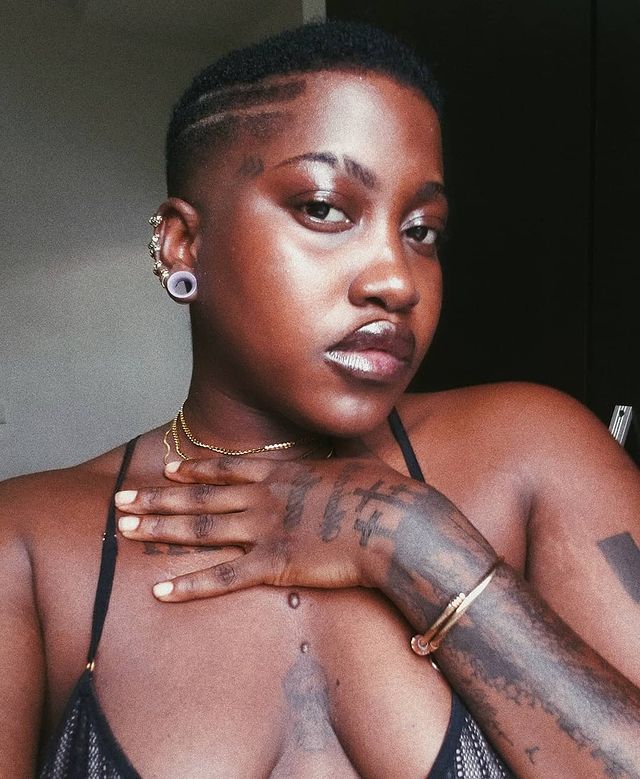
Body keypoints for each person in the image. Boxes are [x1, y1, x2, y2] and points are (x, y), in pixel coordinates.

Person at [1, 20, 639, 779]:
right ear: (182, 244)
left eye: (422, 230)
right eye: (326, 209)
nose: (396, 280)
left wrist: (413, 543)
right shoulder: (29, 546)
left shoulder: (531, 456)